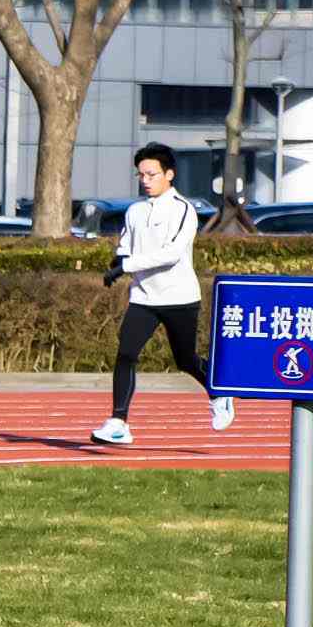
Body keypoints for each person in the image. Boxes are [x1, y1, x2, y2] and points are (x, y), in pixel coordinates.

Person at [93, 141, 232, 447]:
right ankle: (119, 422)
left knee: (185, 361)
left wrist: (128, 264)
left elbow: (170, 254)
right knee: (126, 354)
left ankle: (219, 392)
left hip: (179, 298)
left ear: (169, 174)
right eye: (141, 175)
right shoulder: (134, 211)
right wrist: (118, 261)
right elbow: (126, 246)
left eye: (151, 174)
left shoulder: (183, 210)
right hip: (143, 298)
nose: (145, 180)